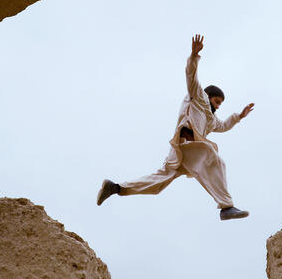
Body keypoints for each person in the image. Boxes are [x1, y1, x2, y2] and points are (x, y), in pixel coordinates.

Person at [96, 34, 254, 220]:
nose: (218, 105)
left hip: (180, 156)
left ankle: (116, 187)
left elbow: (224, 125)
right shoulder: (198, 97)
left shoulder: (210, 119)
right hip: (186, 145)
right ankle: (227, 207)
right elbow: (191, 76)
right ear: (208, 95)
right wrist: (194, 56)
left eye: (220, 104)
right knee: (215, 160)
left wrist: (239, 116)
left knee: (158, 183)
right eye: (217, 101)